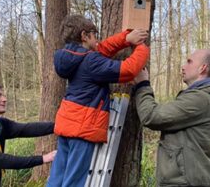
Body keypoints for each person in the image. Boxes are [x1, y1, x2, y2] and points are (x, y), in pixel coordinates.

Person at [47, 15, 150, 187]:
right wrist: (141, 46)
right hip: (82, 127)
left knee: (57, 178)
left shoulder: (72, 57)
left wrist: (125, 38)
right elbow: (129, 70)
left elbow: (102, 49)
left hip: (67, 125)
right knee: (74, 181)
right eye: (95, 35)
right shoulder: (90, 60)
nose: (98, 39)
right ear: (84, 36)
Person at [133, 49, 210, 187]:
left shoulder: (199, 99)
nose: (183, 66)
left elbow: (152, 116)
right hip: (188, 177)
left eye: (189, 61)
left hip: (185, 180)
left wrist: (142, 84)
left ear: (202, 68)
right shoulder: (201, 97)